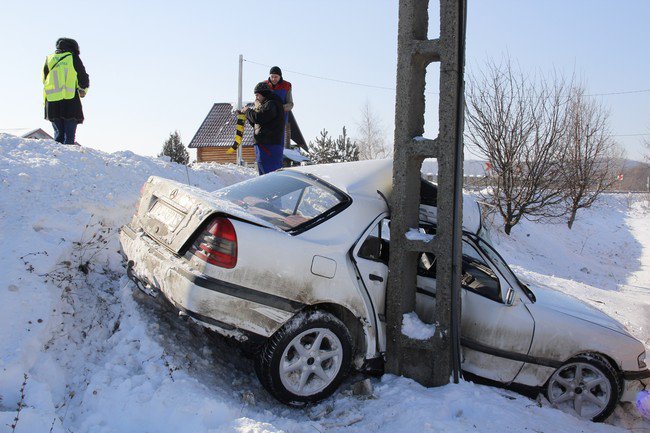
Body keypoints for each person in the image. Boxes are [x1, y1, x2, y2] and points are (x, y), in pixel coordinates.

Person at [42, 38, 90, 145]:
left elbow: (44, 79)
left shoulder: (49, 59)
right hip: (69, 100)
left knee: (58, 136)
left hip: (52, 101)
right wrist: (83, 89)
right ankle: (67, 155)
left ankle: (58, 156)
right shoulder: (72, 57)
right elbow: (83, 76)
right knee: (69, 137)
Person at [241, 82, 285, 175]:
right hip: (263, 144)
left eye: (257, 95)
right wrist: (247, 115)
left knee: (270, 175)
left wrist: (248, 110)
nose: (256, 98)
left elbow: (259, 118)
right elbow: (257, 123)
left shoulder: (271, 104)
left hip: (269, 145)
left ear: (264, 94)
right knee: (264, 175)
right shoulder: (266, 104)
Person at [265, 66, 293, 148]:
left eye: (276, 77)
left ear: (280, 76)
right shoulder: (264, 85)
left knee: (279, 141)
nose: (274, 79)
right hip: (267, 118)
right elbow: (258, 100)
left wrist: (279, 108)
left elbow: (290, 104)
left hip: (281, 118)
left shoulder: (287, 86)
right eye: (272, 76)